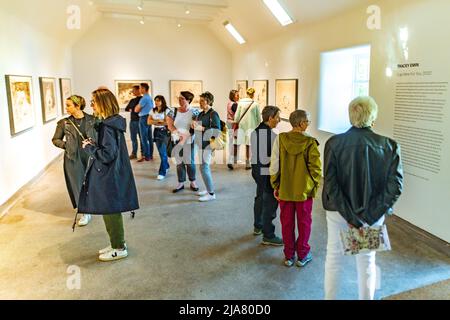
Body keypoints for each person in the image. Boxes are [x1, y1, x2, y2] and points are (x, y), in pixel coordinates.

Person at [322, 96, 403, 300]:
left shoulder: (334, 143)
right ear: (373, 117)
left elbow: (331, 184)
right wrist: (367, 217)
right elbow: (395, 187)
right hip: (372, 214)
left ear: (351, 116)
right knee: (367, 261)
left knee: (333, 259)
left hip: (338, 213)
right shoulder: (389, 145)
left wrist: (351, 217)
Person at [79, 88, 139, 262]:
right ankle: (116, 243)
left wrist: (89, 147)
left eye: (93, 102)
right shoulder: (112, 123)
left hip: (109, 175)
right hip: (113, 173)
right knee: (109, 210)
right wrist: (94, 143)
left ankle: (119, 247)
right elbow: (109, 149)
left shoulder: (107, 126)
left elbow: (107, 155)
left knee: (111, 211)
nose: (91, 105)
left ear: (102, 103)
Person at [270, 110, 322, 268]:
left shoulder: (281, 138)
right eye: (307, 121)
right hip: (303, 192)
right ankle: (303, 255)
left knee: (286, 223)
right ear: (300, 123)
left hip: (285, 190)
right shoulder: (310, 142)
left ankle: (289, 255)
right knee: (304, 223)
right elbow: (316, 170)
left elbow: (274, 165)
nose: (308, 124)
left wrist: (276, 184)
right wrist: (314, 186)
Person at [52, 95, 96, 227]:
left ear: (77, 106)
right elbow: (55, 139)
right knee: (77, 184)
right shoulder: (63, 123)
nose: (66, 108)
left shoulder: (93, 120)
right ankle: (84, 212)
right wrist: (66, 145)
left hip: (90, 155)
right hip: (72, 157)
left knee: (93, 182)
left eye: (68, 105)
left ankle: (95, 205)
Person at [250, 106, 283, 246]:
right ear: (270, 118)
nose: (279, 120)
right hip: (267, 173)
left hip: (257, 171)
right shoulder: (273, 137)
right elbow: (274, 160)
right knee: (269, 203)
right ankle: (268, 235)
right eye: (277, 117)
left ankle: (258, 225)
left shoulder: (255, 131)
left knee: (259, 198)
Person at [166, 91, 200, 193]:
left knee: (190, 162)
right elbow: (170, 125)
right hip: (177, 140)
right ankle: (180, 183)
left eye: (182, 99)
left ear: (188, 100)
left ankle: (193, 181)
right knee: (179, 163)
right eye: (179, 98)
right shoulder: (172, 111)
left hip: (190, 140)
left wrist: (186, 136)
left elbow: (196, 126)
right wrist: (179, 134)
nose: (180, 100)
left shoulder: (195, 112)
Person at [191, 91, 221, 202]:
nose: (200, 102)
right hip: (200, 143)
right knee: (203, 167)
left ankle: (211, 193)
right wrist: (194, 125)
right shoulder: (201, 113)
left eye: (202, 101)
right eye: (200, 100)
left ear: (208, 102)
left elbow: (216, 131)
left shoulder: (213, 114)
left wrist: (202, 128)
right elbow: (198, 126)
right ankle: (209, 189)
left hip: (208, 144)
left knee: (204, 167)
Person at [234, 88, 262, 170]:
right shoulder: (255, 104)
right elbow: (258, 118)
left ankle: (233, 160)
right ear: (253, 94)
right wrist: (258, 126)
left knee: (238, 143)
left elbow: (236, 117)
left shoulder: (241, 102)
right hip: (252, 126)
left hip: (242, 126)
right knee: (249, 144)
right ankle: (248, 162)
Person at [148, 95, 173, 180]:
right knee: (161, 152)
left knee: (163, 153)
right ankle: (166, 165)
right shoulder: (153, 110)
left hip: (165, 132)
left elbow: (168, 123)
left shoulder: (167, 110)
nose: (156, 102)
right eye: (155, 100)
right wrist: (159, 121)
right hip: (156, 132)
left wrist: (156, 121)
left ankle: (162, 172)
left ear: (162, 101)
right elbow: (148, 121)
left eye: (158, 100)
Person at [135, 83, 154, 162]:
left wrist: (136, 107)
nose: (139, 90)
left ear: (143, 89)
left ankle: (146, 156)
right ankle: (150, 155)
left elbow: (136, 109)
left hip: (143, 118)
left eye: (140, 88)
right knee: (149, 137)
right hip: (149, 117)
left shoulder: (144, 98)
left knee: (144, 138)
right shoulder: (149, 97)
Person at [124, 85, 142, 160]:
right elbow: (126, 108)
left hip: (140, 121)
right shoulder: (132, 100)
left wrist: (134, 109)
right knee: (133, 138)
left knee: (142, 139)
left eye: (134, 90)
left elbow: (138, 109)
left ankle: (143, 154)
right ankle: (134, 153)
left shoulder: (142, 99)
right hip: (133, 121)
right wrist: (133, 109)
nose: (132, 91)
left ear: (138, 90)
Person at [226, 89, 239, 170]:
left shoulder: (229, 103)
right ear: (233, 96)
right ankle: (231, 160)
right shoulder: (234, 104)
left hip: (229, 122)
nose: (238, 96)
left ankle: (233, 160)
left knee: (231, 142)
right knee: (235, 143)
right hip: (233, 124)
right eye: (237, 95)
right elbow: (238, 114)